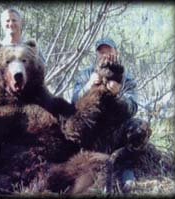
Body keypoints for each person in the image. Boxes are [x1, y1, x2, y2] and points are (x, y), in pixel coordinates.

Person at [71, 37, 151, 191]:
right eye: (102, 52)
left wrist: (118, 94)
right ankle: (89, 168)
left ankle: (126, 167)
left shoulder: (126, 77)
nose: (105, 55)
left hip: (116, 132)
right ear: (96, 55)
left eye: (109, 51)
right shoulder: (86, 74)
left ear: (116, 52)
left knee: (140, 127)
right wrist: (89, 85)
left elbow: (132, 108)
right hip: (92, 132)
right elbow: (73, 102)